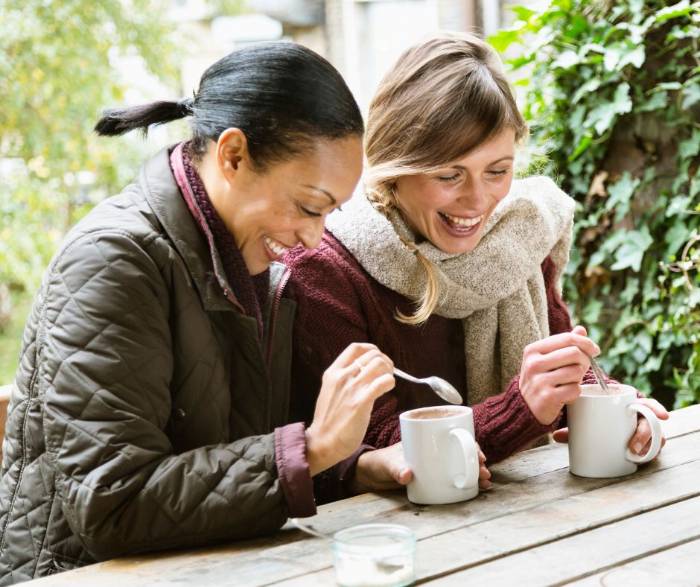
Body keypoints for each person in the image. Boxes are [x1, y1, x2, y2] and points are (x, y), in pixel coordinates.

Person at [0, 42, 397, 584]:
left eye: (329, 213)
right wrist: (312, 447)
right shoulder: (113, 259)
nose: (315, 236)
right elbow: (113, 505)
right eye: (309, 206)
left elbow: (237, 462)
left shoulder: (256, 266)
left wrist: (351, 467)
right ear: (232, 156)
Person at [285, 33, 667, 498]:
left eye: (498, 170)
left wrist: (615, 411)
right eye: (449, 175)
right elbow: (375, 449)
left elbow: (560, 385)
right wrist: (521, 408)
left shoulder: (520, 236)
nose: (478, 200)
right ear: (394, 165)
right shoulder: (325, 268)